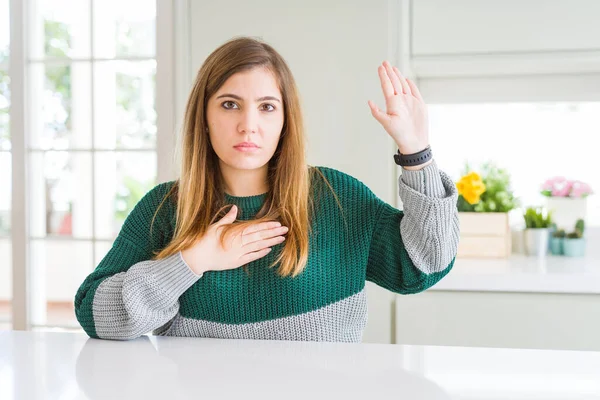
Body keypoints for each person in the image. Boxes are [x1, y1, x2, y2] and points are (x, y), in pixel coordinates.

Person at [74, 36, 459, 342]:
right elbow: (96, 317)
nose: (248, 125)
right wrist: (191, 261)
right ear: (203, 117)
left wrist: (417, 153)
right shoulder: (163, 209)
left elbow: (422, 266)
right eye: (229, 104)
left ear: (285, 121)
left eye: (267, 107)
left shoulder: (337, 197)